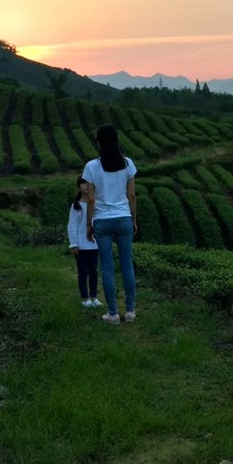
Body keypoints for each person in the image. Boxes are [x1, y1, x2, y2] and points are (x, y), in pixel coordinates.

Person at [81, 124, 138, 325]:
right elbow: (131, 194)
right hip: (123, 218)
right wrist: (134, 219)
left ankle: (113, 313)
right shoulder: (128, 164)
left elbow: (90, 200)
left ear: (98, 142)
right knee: (127, 265)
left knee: (107, 267)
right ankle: (130, 311)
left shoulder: (91, 167)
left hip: (102, 221)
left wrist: (89, 224)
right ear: (116, 140)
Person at [67, 176, 102, 308]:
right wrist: (73, 244)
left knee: (94, 271)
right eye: (83, 183)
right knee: (83, 271)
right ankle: (85, 298)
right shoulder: (76, 206)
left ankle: (94, 297)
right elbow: (72, 225)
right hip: (81, 245)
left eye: (88, 183)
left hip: (94, 243)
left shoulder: (96, 204)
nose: (86, 186)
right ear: (79, 187)